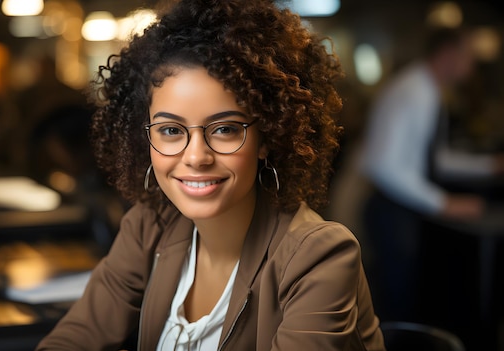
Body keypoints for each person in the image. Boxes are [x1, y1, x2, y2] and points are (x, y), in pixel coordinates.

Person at [38, 0, 384, 350]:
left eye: (225, 129)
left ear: (268, 137)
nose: (196, 157)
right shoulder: (150, 225)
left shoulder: (318, 256)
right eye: (171, 131)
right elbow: (72, 339)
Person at [360, 28, 502, 322]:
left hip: (399, 205)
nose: (472, 67)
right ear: (450, 55)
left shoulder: (428, 88)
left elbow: (435, 159)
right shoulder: (416, 91)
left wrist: (489, 165)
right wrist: (443, 203)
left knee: (403, 300)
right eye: (469, 58)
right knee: (395, 307)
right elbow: (382, 164)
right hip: (391, 208)